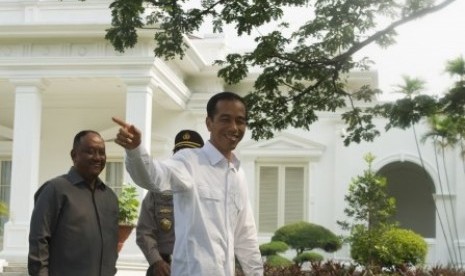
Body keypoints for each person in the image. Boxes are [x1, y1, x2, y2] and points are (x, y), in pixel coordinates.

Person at [112, 91, 264, 276]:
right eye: (225, 119)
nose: (234, 127)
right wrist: (135, 150)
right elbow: (154, 177)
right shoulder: (189, 161)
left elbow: (246, 236)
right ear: (209, 123)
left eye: (240, 121)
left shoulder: (237, 173)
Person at [28, 130, 119, 276]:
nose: (97, 158)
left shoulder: (110, 197)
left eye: (101, 152)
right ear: (74, 155)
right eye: (90, 152)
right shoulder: (55, 190)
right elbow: (39, 241)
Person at [136, 130, 204, 276]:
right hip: (164, 267)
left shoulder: (211, 190)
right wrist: (156, 261)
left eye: (191, 153)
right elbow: (144, 231)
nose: (185, 158)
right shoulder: (159, 188)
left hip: (199, 267)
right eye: (180, 152)